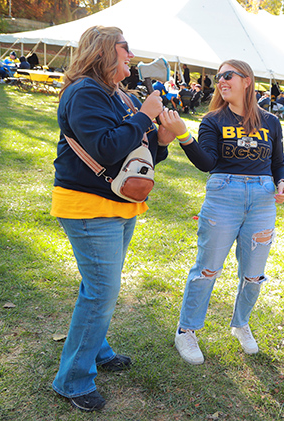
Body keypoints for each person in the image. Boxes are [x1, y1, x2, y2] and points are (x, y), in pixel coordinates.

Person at [51, 25, 184, 412]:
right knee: (101, 292)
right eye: (126, 48)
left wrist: (162, 138)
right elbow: (106, 149)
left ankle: (97, 349)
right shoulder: (84, 92)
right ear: (106, 51)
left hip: (117, 205)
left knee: (99, 289)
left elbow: (137, 158)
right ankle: (72, 380)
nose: (131, 56)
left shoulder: (119, 95)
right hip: (89, 207)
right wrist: (144, 116)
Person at [174, 59, 284, 365]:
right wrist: (184, 136)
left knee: (254, 274)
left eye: (228, 75)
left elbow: (278, 162)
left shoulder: (271, 122)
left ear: (247, 80)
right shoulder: (213, 120)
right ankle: (186, 330)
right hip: (224, 196)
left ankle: (241, 324)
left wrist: (282, 182)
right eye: (218, 77)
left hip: (263, 200)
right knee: (208, 268)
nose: (221, 81)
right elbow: (207, 163)